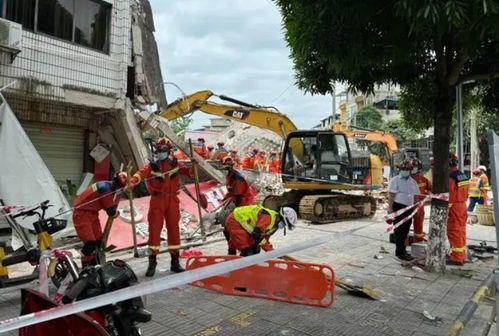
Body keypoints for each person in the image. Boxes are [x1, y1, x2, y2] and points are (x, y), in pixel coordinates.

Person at [130, 138, 193, 276]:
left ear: (168, 151)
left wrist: (194, 166)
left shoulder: (175, 164)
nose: (160, 153)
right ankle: (152, 263)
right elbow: (140, 173)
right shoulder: (152, 167)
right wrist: (132, 182)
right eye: (158, 150)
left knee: (174, 230)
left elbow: (189, 172)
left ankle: (175, 263)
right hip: (157, 200)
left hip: (172, 200)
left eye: (163, 150)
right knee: (154, 230)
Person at [73, 172, 127, 266]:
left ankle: (95, 263)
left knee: (99, 241)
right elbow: (110, 212)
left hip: (92, 214)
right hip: (82, 215)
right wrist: (116, 213)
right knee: (90, 243)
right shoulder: (105, 189)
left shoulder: (106, 184)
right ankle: (85, 264)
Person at [224, 205, 298, 256]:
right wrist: (270, 251)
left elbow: (264, 239)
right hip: (236, 220)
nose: (283, 226)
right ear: (280, 217)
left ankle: (235, 260)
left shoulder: (274, 227)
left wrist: (271, 250)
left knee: (256, 249)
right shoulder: (267, 217)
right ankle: (236, 266)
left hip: (248, 227)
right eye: (284, 223)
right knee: (247, 250)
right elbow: (257, 235)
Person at [387, 159, 420, 261]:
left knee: (405, 230)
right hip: (398, 207)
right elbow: (391, 195)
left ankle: (401, 250)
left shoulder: (413, 182)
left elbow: (416, 197)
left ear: (411, 170)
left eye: (407, 169)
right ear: (400, 169)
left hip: (409, 209)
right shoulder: (395, 180)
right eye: (403, 169)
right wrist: (390, 208)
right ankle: (400, 252)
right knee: (399, 231)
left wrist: (417, 208)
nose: (405, 170)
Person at [447, 153, 469, 266]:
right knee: (461, 230)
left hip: (455, 207)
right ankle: (461, 254)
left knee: (454, 231)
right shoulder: (462, 175)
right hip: (462, 205)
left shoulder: (451, 177)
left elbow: (451, 195)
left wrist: (446, 210)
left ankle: (456, 258)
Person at [410, 158, 432, 243]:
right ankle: (404, 240)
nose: (413, 168)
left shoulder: (423, 179)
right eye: (412, 166)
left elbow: (430, 189)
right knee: (405, 224)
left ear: (419, 168)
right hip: (407, 204)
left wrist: (428, 195)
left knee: (419, 223)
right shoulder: (406, 179)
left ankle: (418, 239)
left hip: (419, 205)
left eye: (415, 166)